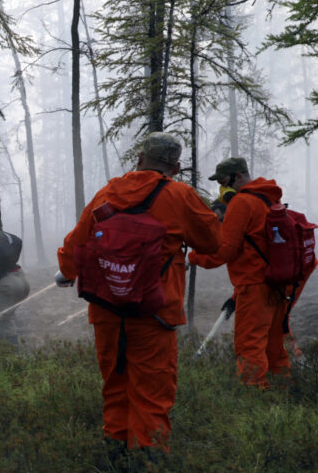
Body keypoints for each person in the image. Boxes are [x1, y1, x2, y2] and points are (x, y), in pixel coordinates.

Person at [56, 132, 221, 453]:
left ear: (140, 159)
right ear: (174, 167)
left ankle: (115, 457)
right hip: (155, 312)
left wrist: (67, 271)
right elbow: (213, 243)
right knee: (152, 393)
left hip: (106, 310)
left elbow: (77, 242)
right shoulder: (180, 195)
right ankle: (149, 471)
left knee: (115, 385)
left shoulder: (108, 192)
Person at [188, 157, 311, 388]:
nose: (222, 187)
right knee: (274, 344)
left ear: (240, 176)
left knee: (249, 344)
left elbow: (224, 250)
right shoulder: (267, 199)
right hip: (277, 285)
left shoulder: (242, 203)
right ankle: (282, 394)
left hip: (255, 287)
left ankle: (253, 397)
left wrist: (194, 257)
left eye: (225, 180)